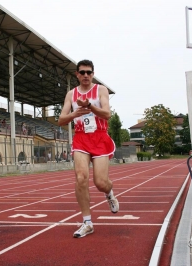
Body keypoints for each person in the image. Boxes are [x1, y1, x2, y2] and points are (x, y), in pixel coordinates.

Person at [58, 59, 118, 238]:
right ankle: (87, 222)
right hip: (81, 138)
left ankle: (109, 191)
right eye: (82, 72)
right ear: (77, 74)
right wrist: (75, 113)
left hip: (99, 137)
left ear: (93, 74)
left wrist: (89, 106)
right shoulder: (71, 94)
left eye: (89, 72)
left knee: (100, 182)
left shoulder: (100, 90)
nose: (86, 75)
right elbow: (61, 120)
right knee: (81, 177)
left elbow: (107, 114)